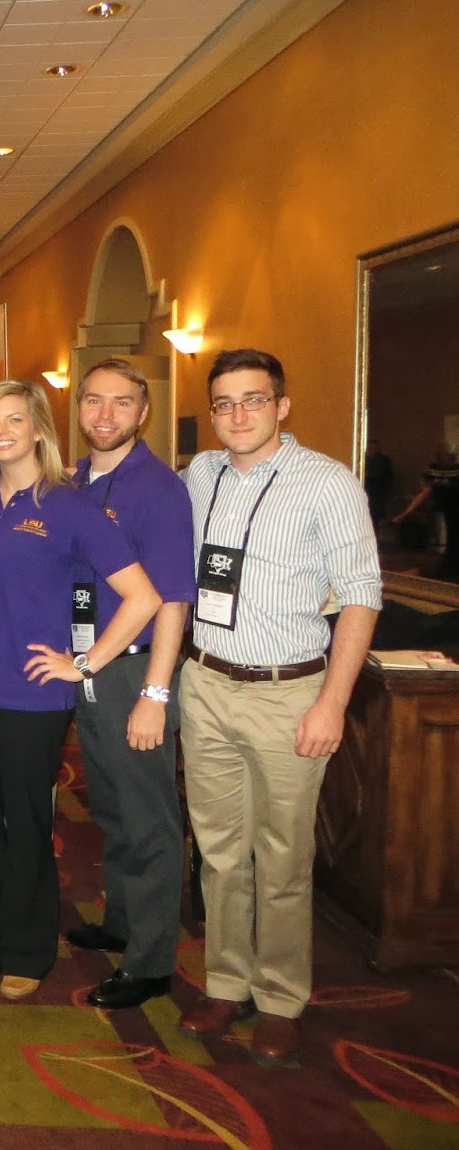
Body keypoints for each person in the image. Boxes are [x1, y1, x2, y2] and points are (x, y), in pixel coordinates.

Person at [177, 349, 380, 1063]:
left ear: (282, 406)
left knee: (284, 855)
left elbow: (361, 594)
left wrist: (332, 703)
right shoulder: (199, 475)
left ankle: (281, 996)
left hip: (287, 690)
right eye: (224, 403)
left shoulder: (327, 483)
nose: (238, 415)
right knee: (218, 852)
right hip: (206, 685)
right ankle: (226, 982)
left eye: (254, 400)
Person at [0, 379, 159, 1000]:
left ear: (38, 427)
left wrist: (85, 664)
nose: (0, 431)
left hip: (32, 692)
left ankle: (27, 950)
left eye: (14, 419)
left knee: (27, 822)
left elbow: (142, 597)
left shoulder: (70, 504)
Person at [63, 360, 196, 1010]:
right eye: (94, 400)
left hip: (136, 670)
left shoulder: (158, 487)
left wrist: (155, 693)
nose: (105, 415)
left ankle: (150, 962)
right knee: (112, 807)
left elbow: (173, 599)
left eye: (121, 402)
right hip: (89, 663)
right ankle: (121, 922)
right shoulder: (76, 480)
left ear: (143, 412)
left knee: (148, 820)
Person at [391, 446, 459, 580]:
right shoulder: (432, 469)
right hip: (439, 502)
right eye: (442, 455)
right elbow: (426, 488)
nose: (445, 458)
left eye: (447, 455)